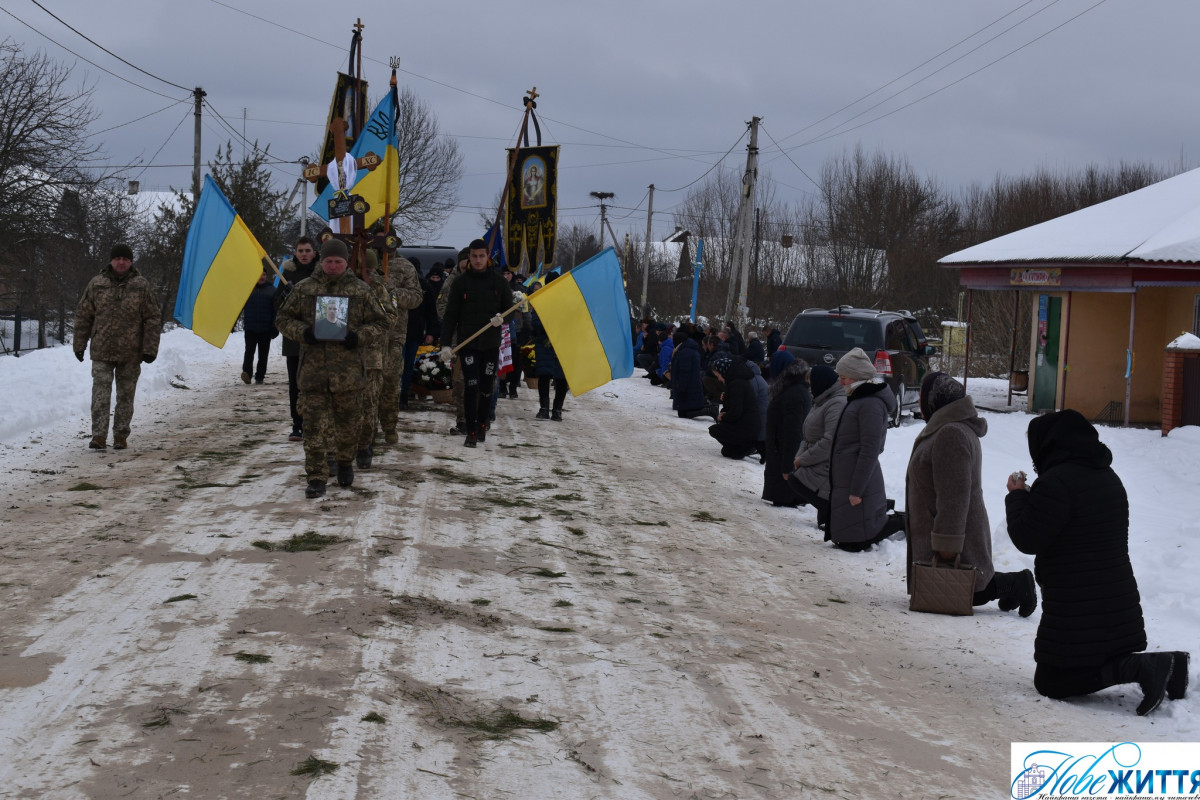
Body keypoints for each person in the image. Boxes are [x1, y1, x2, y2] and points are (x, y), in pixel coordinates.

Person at [1004, 409, 1189, 716]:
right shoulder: (1108, 477)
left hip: (1080, 608)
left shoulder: (1057, 483)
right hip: (1116, 605)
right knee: (1096, 659)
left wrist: (1017, 496)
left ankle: (1146, 666)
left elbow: (1027, 537)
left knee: (1052, 681)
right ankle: (1172, 663)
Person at [905, 372, 1037, 614]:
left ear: (935, 400)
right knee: (960, 587)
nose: (921, 404)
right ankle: (1014, 585)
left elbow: (953, 496)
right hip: (955, 526)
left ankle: (1019, 583)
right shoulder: (950, 429)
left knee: (967, 590)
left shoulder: (950, 433)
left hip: (955, 529)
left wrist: (948, 543)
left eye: (923, 397)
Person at [276, 237, 389, 498]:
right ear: (322, 261)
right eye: (329, 261)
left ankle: (345, 461)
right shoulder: (305, 289)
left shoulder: (361, 290)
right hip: (313, 373)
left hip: (348, 374)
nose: (334, 266)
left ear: (346, 262)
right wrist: (303, 332)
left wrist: (359, 336)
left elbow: (381, 323)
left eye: (338, 261)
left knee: (348, 425)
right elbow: (283, 318)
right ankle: (316, 476)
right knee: (314, 428)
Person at [73, 243, 161, 451]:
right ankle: (99, 436)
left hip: (131, 352)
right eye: (117, 258)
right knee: (100, 394)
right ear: (111, 261)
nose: (121, 262)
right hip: (102, 349)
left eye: (125, 259)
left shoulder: (141, 286)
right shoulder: (97, 284)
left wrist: (150, 349)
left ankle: (121, 435)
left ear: (131, 262)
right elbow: (84, 315)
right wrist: (79, 344)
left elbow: (153, 318)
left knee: (125, 396)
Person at [827, 347, 905, 552]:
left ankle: (903, 521)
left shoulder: (869, 403)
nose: (840, 382)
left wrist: (856, 490)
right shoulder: (858, 397)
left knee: (856, 539)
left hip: (859, 477)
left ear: (856, 376)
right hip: (851, 474)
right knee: (848, 537)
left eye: (843, 377)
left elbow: (869, 449)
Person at [440, 239, 512, 447]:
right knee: (471, 386)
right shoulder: (461, 283)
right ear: (469, 257)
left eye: (482, 256)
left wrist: (503, 318)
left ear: (487, 257)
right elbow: (451, 316)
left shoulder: (499, 282)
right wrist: (446, 344)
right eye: (474, 256)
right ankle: (470, 430)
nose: (478, 260)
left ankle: (482, 424)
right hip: (468, 343)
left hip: (490, 344)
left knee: (487, 387)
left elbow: (510, 310)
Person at [374, 251, 423, 446]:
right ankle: (366, 428)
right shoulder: (363, 261)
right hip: (366, 334)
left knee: (391, 381)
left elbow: (416, 297)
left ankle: (389, 425)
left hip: (394, 334)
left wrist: (392, 293)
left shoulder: (404, 266)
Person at [788, 364, 845, 532]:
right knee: (795, 476)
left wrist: (803, 459)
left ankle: (829, 507)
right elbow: (808, 436)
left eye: (812, 385)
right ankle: (826, 511)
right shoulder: (822, 400)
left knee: (796, 480)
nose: (810, 389)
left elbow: (830, 441)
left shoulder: (836, 404)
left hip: (828, 463)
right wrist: (799, 458)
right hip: (817, 458)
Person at [275, 237, 319, 441]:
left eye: (307, 250)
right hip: (294, 338)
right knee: (295, 383)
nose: (303, 254)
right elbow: (277, 306)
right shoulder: (288, 272)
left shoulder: (322, 272)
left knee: (317, 382)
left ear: (314, 252)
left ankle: (316, 421)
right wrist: (284, 296)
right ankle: (297, 423)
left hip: (319, 336)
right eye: (300, 250)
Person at [762, 356, 811, 506]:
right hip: (779, 453)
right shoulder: (790, 388)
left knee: (783, 501)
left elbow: (793, 432)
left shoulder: (792, 393)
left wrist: (787, 468)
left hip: (782, 462)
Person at [437, 248, 471, 434]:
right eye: (463, 266)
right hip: (459, 337)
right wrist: (456, 317)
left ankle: (482, 416)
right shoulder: (452, 281)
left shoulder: (485, 279)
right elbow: (441, 306)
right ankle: (463, 419)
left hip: (481, 337)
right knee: (459, 381)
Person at [707, 355, 761, 460]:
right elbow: (732, 406)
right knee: (727, 451)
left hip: (747, 428)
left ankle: (745, 446)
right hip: (747, 425)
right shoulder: (736, 382)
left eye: (718, 376)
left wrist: (723, 417)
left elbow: (736, 412)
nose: (719, 379)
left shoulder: (737, 384)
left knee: (714, 430)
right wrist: (724, 411)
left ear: (723, 372)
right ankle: (740, 447)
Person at [531, 273, 568, 420]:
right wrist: (549, 325)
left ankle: (557, 409)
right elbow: (535, 322)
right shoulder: (541, 299)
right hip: (544, 343)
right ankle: (544, 408)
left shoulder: (567, 301)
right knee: (544, 376)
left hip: (562, 343)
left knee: (561, 377)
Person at [240, 264, 278, 384]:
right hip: (250, 327)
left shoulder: (272, 291)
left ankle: (260, 376)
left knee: (263, 354)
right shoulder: (247, 289)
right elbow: (237, 308)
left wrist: (275, 327)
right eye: (259, 274)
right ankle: (247, 373)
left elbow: (276, 311)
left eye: (264, 274)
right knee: (249, 352)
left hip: (266, 329)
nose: (261, 277)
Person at [671, 330, 716, 420]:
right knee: (686, 411)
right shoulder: (689, 349)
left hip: (688, 388)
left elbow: (685, 372)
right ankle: (710, 408)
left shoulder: (684, 352)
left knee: (683, 413)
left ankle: (710, 410)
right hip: (692, 386)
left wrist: (680, 387)